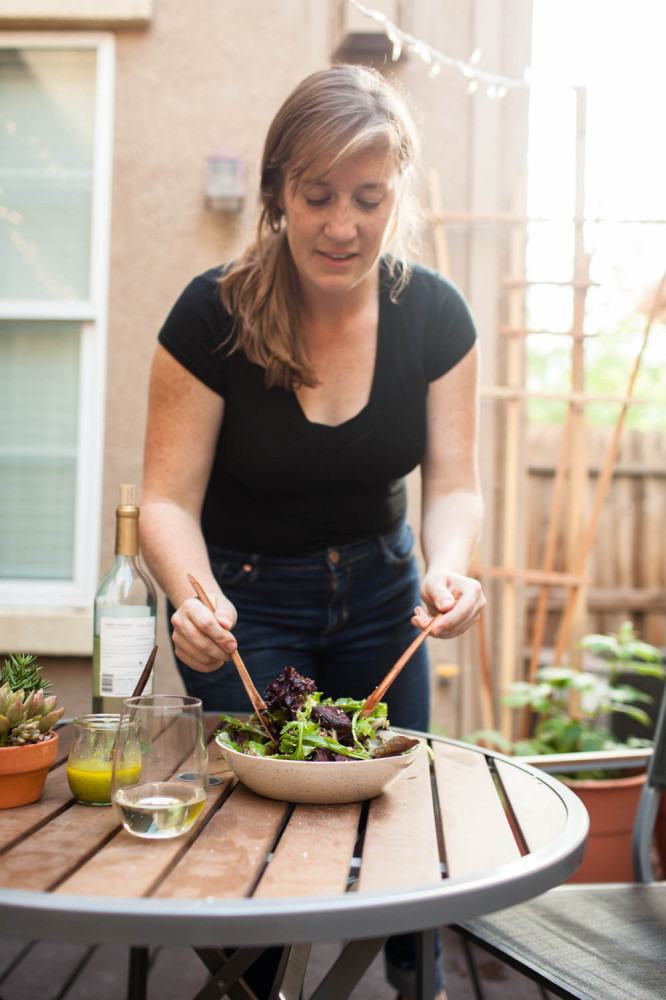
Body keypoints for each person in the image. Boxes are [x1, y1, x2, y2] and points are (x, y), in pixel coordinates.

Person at [141, 63, 484, 1000]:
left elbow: (456, 484)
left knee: (398, 831)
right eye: (318, 195)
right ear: (276, 192)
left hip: (383, 593)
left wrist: (447, 571)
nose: (343, 225)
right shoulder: (210, 314)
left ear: (397, 193)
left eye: (369, 198)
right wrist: (193, 595)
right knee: (249, 849)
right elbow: (164, 502)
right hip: (244, 604)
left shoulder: (437, 316)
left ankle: (419, 985)